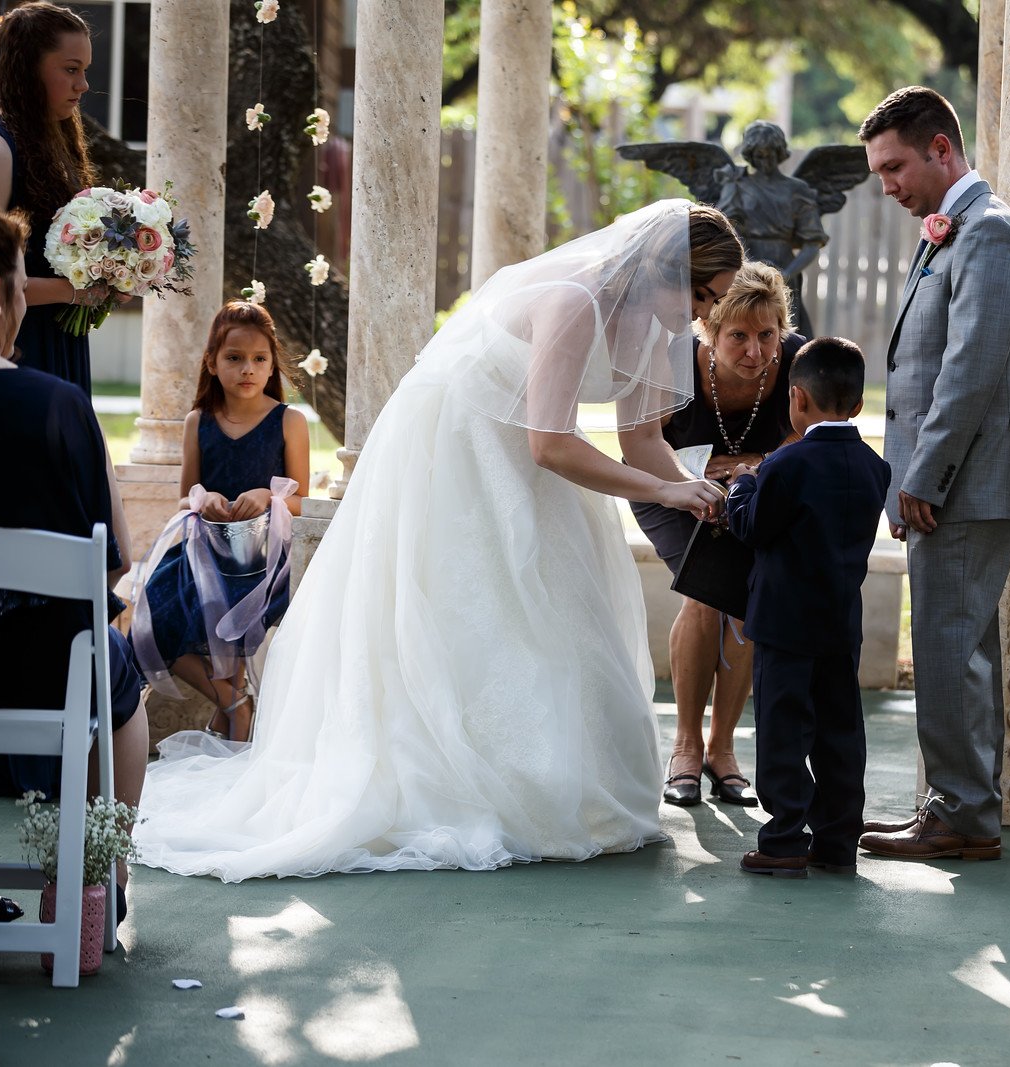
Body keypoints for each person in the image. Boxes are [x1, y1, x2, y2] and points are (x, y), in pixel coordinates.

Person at [134, 201, 741, 882]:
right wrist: (661, 493)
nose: (702, 316)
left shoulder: (654, 324)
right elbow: (549, 444)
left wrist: (693, 489)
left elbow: (642, 438)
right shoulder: (575, 300)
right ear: (665, 270)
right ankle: (457, 785)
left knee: (559, 603)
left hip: (531, 450)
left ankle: (555, 780)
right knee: (474, 601)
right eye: (701, 295)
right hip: (462, 443)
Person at [854, 86, 1010, 862]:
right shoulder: (950, 231)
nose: (887, 186)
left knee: (947, 646)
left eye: (894, 167)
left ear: (940, 149)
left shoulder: (987, 231)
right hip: (957, 476)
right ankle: (962, 805)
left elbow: (970, 370)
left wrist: (922, 477)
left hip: (966, 477)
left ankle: (961, 815)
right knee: (958, 648)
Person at [0, 205, 147, 923]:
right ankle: (97, 878)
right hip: (40, 671)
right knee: (118, 679)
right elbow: (109, 566)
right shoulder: (58, 405)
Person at [0, 1, 135, 580]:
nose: (84, 85)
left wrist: (111, 274)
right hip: (14, 354)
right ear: (26, 66)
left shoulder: (53, 141)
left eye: (86, 71)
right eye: (71, 69)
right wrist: (73, 291)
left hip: (59, 345)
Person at [629, 260, 804, 808]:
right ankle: (685, 745)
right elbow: (644, 444)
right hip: (666, 487)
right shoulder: (673, 359)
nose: (756, 351)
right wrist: (698, 477)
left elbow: (811, 434)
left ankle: (721, 748)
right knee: (709, 593)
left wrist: (752, 467)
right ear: (708, 328)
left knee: (750, 600)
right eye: (738, 337)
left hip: (760, 492)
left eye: (767, 335)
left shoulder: (798, 361)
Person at [725, 338, 891, 878]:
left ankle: (783, 841)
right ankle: (838, 842)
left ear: (796, 398)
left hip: (784, 624)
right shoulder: (875, 468)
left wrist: (741, 487)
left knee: (783, 730)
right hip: (840, 623)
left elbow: (752, 527)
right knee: (840, 732)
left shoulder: (786, 464)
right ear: (858, 404)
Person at [130, 302, 310, 743]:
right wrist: (203, 497)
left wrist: (269, 495)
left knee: (234, 615)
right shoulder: (199, 422)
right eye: (234, 357)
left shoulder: (289, 421)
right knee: (151, 622)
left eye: (259, 359)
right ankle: (233, 701)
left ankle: (231, 713)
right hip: (202, 552)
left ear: (272, 366)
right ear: (212, 362)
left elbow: (301, 500)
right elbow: (184, 497)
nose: (248, 369)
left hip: (260, 562)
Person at [715, 122, 830, 336]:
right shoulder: (738, 185)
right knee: (743, 328)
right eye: (759, 155)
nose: (765, 161)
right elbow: (724, 227)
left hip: (785, 269)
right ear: (750, 154)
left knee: (786, 335)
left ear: (779, 152)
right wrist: (741, 267)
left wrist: (787, 273)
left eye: (770, 154)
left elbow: (812, 243)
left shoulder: (797, 190)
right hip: (745, 267)